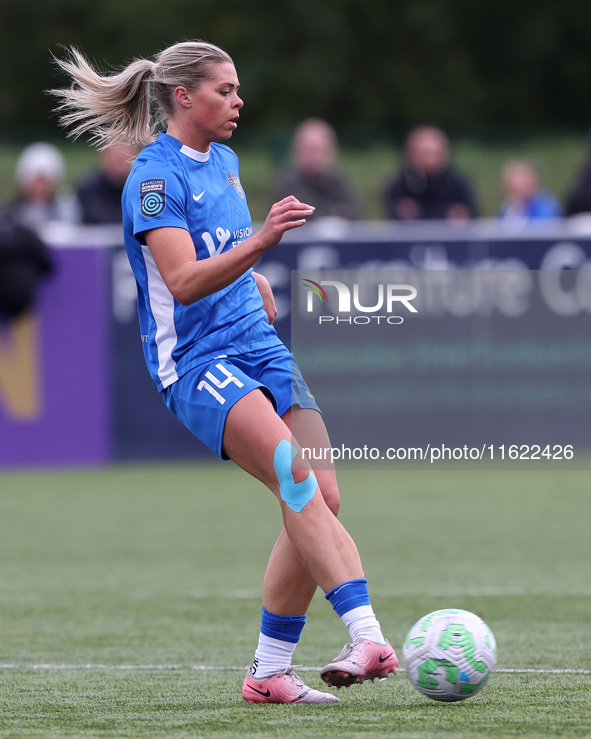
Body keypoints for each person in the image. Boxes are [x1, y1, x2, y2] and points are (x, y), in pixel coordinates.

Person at [50, 41, 398, 704]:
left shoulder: (228, 162)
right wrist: (261, 243)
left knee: (321, 492)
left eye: (237, 90)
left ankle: (268, 671)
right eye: (224, 90)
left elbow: (222, 253)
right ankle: (366, 634)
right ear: (182, 96)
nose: (237, 102)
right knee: (293, 475)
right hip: (198, 362)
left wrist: (255, 276)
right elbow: (181, 280)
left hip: (257, 342)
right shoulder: (152, 180)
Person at [384, 125, 478, 221]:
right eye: (426, 154)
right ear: (411, 155)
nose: (432, 160)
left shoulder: (458, 185)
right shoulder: (399, 187)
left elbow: (473, 217)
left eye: (437, 153)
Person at [273, 118, 361, 220]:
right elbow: (300, 218)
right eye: (311, 150)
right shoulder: (287, 183)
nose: (317, 157)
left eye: (323, 150)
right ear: (297, 151)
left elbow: (356, 213)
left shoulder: (338, 179)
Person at [2, 142, 80, 230]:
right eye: (35, 182)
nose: (39, 188)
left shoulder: (66, 211)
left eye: (44, 182)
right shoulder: (11, 215)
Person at [76, 144, 139, 224]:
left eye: (126, 158)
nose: (121, 165)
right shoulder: (88, 190)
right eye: (117, 158)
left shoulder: (141, 190)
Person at [497, 160, 562, 224]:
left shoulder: (546, 207)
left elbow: (545, 229)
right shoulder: (507, 208)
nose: (518, 196)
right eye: (513, 190)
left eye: (521, 189)